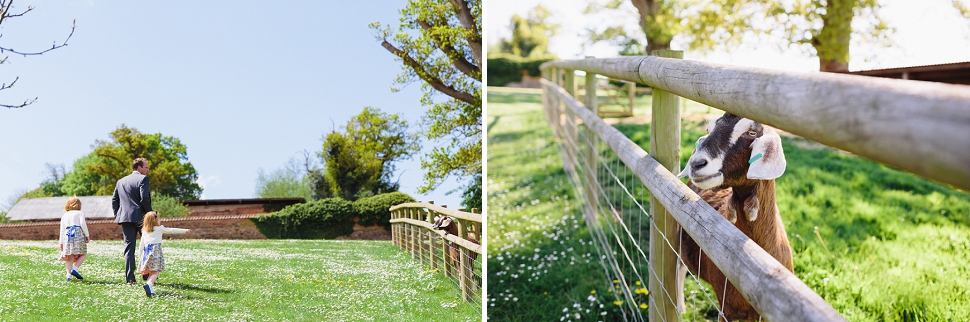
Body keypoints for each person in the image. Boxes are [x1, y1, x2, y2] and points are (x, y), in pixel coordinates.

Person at [112, 157, 152, 285]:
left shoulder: (120, 181)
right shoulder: (143, 179)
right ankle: (146, 273)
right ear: (139, 168)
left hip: (125, 218)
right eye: (146, 167)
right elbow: (144, 198)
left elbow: (114, 200)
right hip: (141, 217)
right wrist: (150, 213)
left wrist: (118, 215)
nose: (148, 170)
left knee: (129, 248)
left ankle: (130, 278)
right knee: (147, 245)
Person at [137, 211, 191, 297]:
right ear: (155, 220)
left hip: (146, 253)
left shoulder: (144, 231)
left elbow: (141, 245)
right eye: (159, 218)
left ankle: (150, 290)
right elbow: (171, 230)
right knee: (155, 272)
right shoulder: (159, 229)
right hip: (155, 253)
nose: (160, 220)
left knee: (151, 272)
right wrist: (185, 231)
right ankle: (149, 284)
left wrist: (140, 257)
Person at [59, 196, 90, 282]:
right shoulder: (79, 213)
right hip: (78, 233)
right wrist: (87, 235)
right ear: (79, 205)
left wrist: (61, 242)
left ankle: (68, 276)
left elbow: (62, 230)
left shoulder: (65, 215)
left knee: (70, 256)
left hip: (67, 235)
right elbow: (83, 224)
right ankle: (75, 269)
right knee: (83, 253)